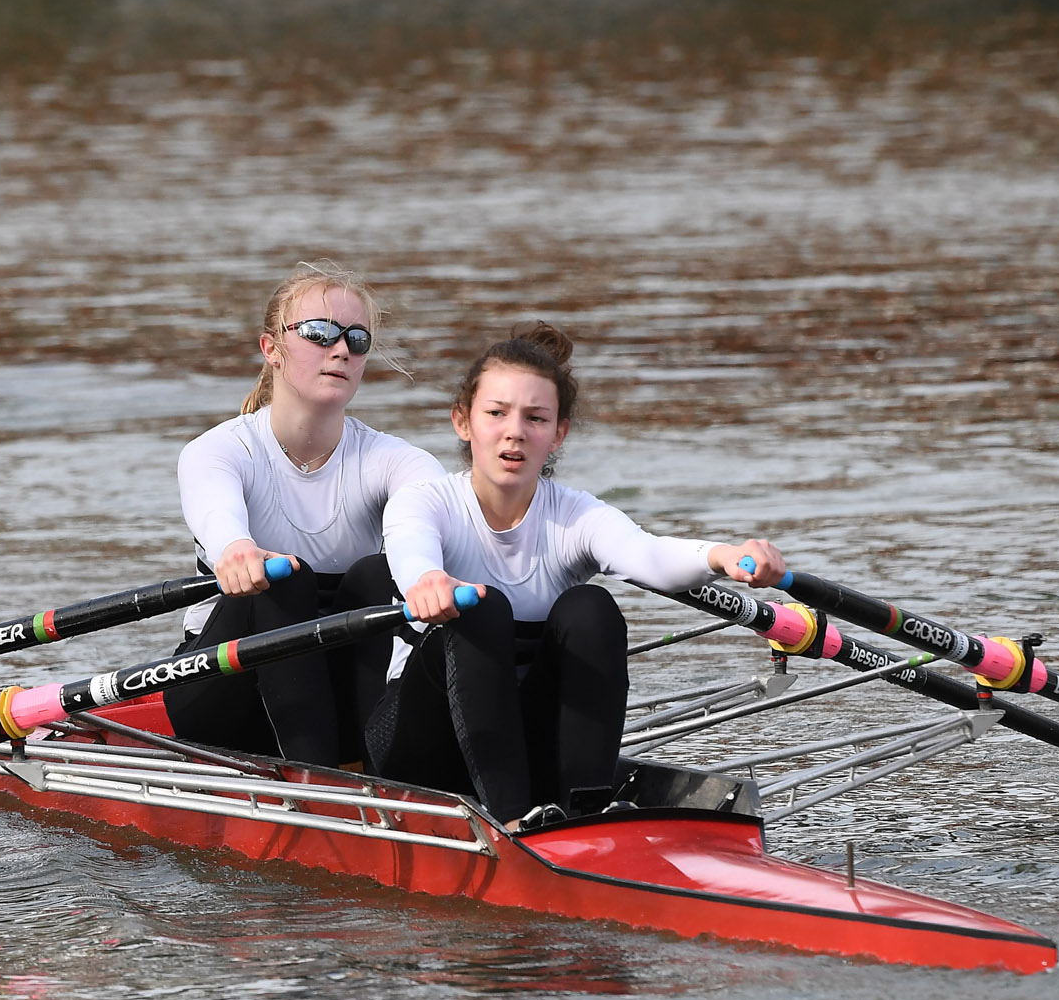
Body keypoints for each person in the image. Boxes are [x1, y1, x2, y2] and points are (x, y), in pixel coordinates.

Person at [355, 322, 786, 826]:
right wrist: (427, 580)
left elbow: (646, 557)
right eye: (496, 414)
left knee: (591, 608)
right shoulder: (426, 501)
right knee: (481, 606)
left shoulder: (575, 516)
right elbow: (410, 548)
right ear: (463, 421)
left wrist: (723, 556)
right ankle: (516, 823)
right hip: (420, 748)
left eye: (535, 418)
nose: (514, 431)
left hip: (523, 742)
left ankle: (585, 809)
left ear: (557, 433)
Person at [165, 262, 443, 765]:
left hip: (339, 700)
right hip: (223, 697)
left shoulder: (398, 462)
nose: (341, 350)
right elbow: (217, 512)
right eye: (320, 333)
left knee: (378, 573)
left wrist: (429, 569)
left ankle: (365, 765)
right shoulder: (219, 452)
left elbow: (431, 517)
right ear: (271, 348)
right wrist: (234, 549)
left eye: (356, 339)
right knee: (282, 577)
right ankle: (320, 782)